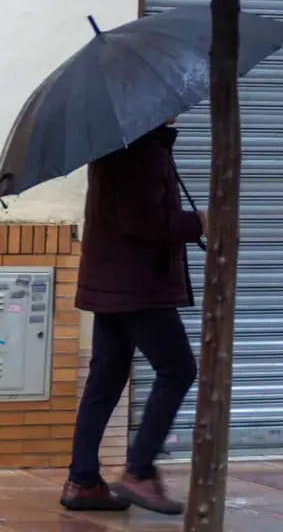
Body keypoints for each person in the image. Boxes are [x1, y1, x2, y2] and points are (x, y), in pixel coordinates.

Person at [59, 118, 206, 516]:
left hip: (111, 283)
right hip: (138, 286)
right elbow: (142, 220)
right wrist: (201, 222)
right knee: (178, 369)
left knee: (104, 380)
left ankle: (83, 480)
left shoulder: (113, 145)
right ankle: (139, 472)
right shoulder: (140, 150)